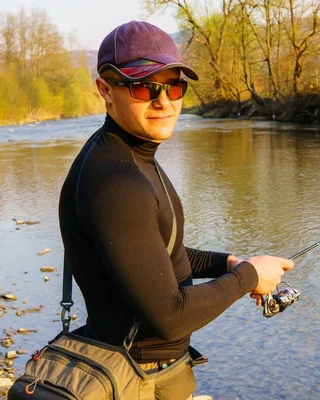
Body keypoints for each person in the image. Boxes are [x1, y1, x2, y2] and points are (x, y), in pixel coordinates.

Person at [58, 20, 294, 400]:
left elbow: (164, 253)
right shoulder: (115, 180)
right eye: (143, 86)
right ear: (106, 90)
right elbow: (170, 317)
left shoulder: (135, 155)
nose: (163, 101)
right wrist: (248, 277)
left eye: (174, 85)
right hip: (133, 377)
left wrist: (229, 262)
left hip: (158, 370)